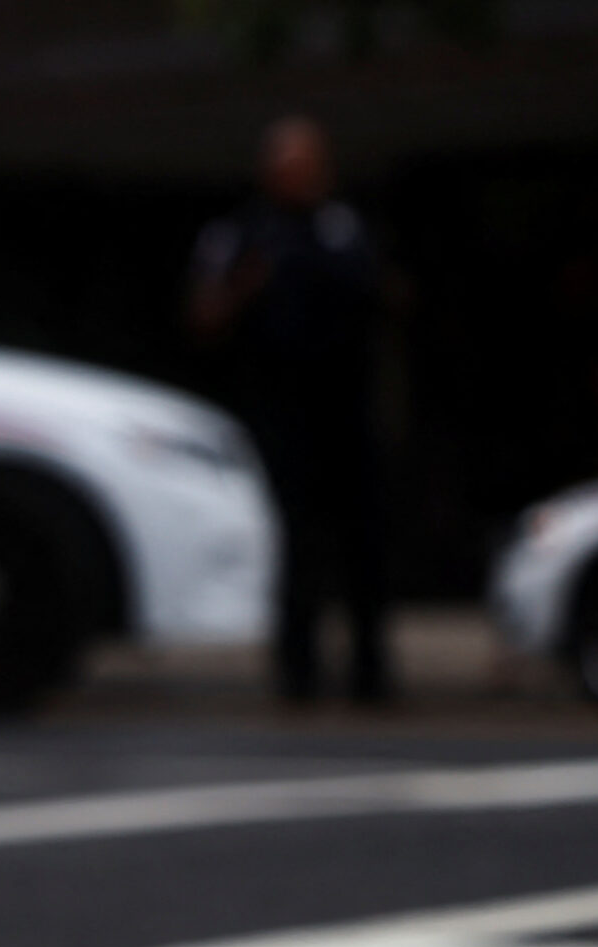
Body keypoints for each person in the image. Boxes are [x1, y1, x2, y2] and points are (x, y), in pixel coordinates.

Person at [190, 116, 391, 703]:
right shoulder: (241, 233)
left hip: (348, 412)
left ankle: (371, 673)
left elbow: (384, 294)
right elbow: (204, 315)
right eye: (290, 164)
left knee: (364, 543)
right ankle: (297, 674)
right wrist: (245, 289)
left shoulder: (343, 226)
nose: (302, 175)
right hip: (281, 414)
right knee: (294, 545)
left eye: (310, 163)